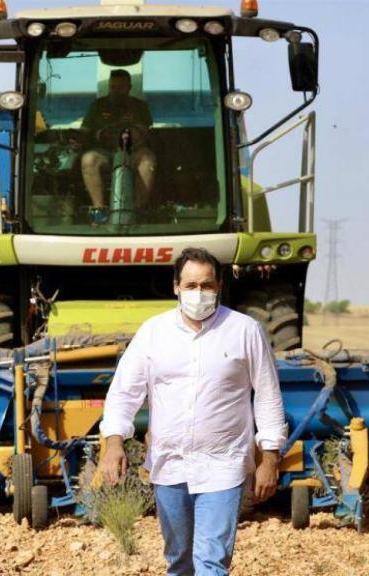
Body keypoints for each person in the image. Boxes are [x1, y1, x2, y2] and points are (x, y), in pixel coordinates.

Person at [98, 247, 287, 576]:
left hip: (223, 465)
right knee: (180, 560)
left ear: (219, 286)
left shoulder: (245, 331)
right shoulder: (153, 334)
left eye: (207, 285)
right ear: (176, 287)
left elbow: (268, 395)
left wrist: (269, 457)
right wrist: (114, 444)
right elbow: (124, 393)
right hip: (169, 464)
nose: (199, 293)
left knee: (211, 561)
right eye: (191, 286)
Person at [80, 69, 157, 223]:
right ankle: (99, 211)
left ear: (129, 87)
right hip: (105, 152)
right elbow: (85, 130)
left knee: (148, 161)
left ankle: (138, 210)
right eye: (113, 87)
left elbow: (144, 130)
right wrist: (84, 137)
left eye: (121, 87)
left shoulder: (140, 106)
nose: (116, 91)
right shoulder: (97, 105)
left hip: (134, 151)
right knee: (88, 160)